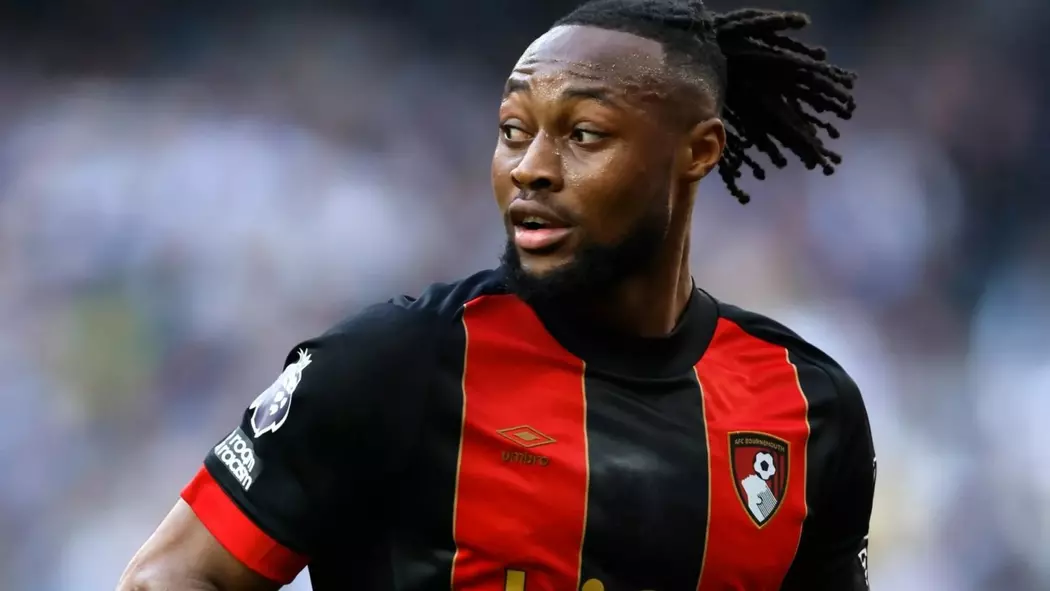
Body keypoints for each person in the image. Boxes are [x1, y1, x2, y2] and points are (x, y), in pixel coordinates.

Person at [118, 0, 875, 589]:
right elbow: (169, 575)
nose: (529, 168)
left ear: (699, 151)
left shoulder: (810, 407)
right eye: (514, 130)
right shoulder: (397, 363)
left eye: (583, 134)